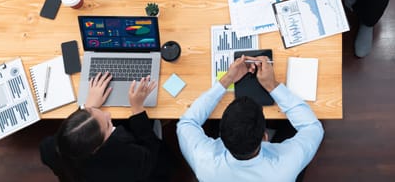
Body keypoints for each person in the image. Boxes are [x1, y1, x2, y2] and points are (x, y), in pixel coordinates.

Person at [176, 55, 324, 181]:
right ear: (265, 136)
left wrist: (228, 78)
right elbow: (312, 127)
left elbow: (187, 123)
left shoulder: (205, 164)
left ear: (220, 135)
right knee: (288, 128)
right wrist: (272, 85)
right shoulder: (284, 168)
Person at [39, 72, 173, 182]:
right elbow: (150, 150)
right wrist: (137, 109)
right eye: (108, 124)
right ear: (97, 147)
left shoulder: (49, 149)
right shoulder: (130, 159)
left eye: (90, 113)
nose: (109, 115)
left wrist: (88, 106)